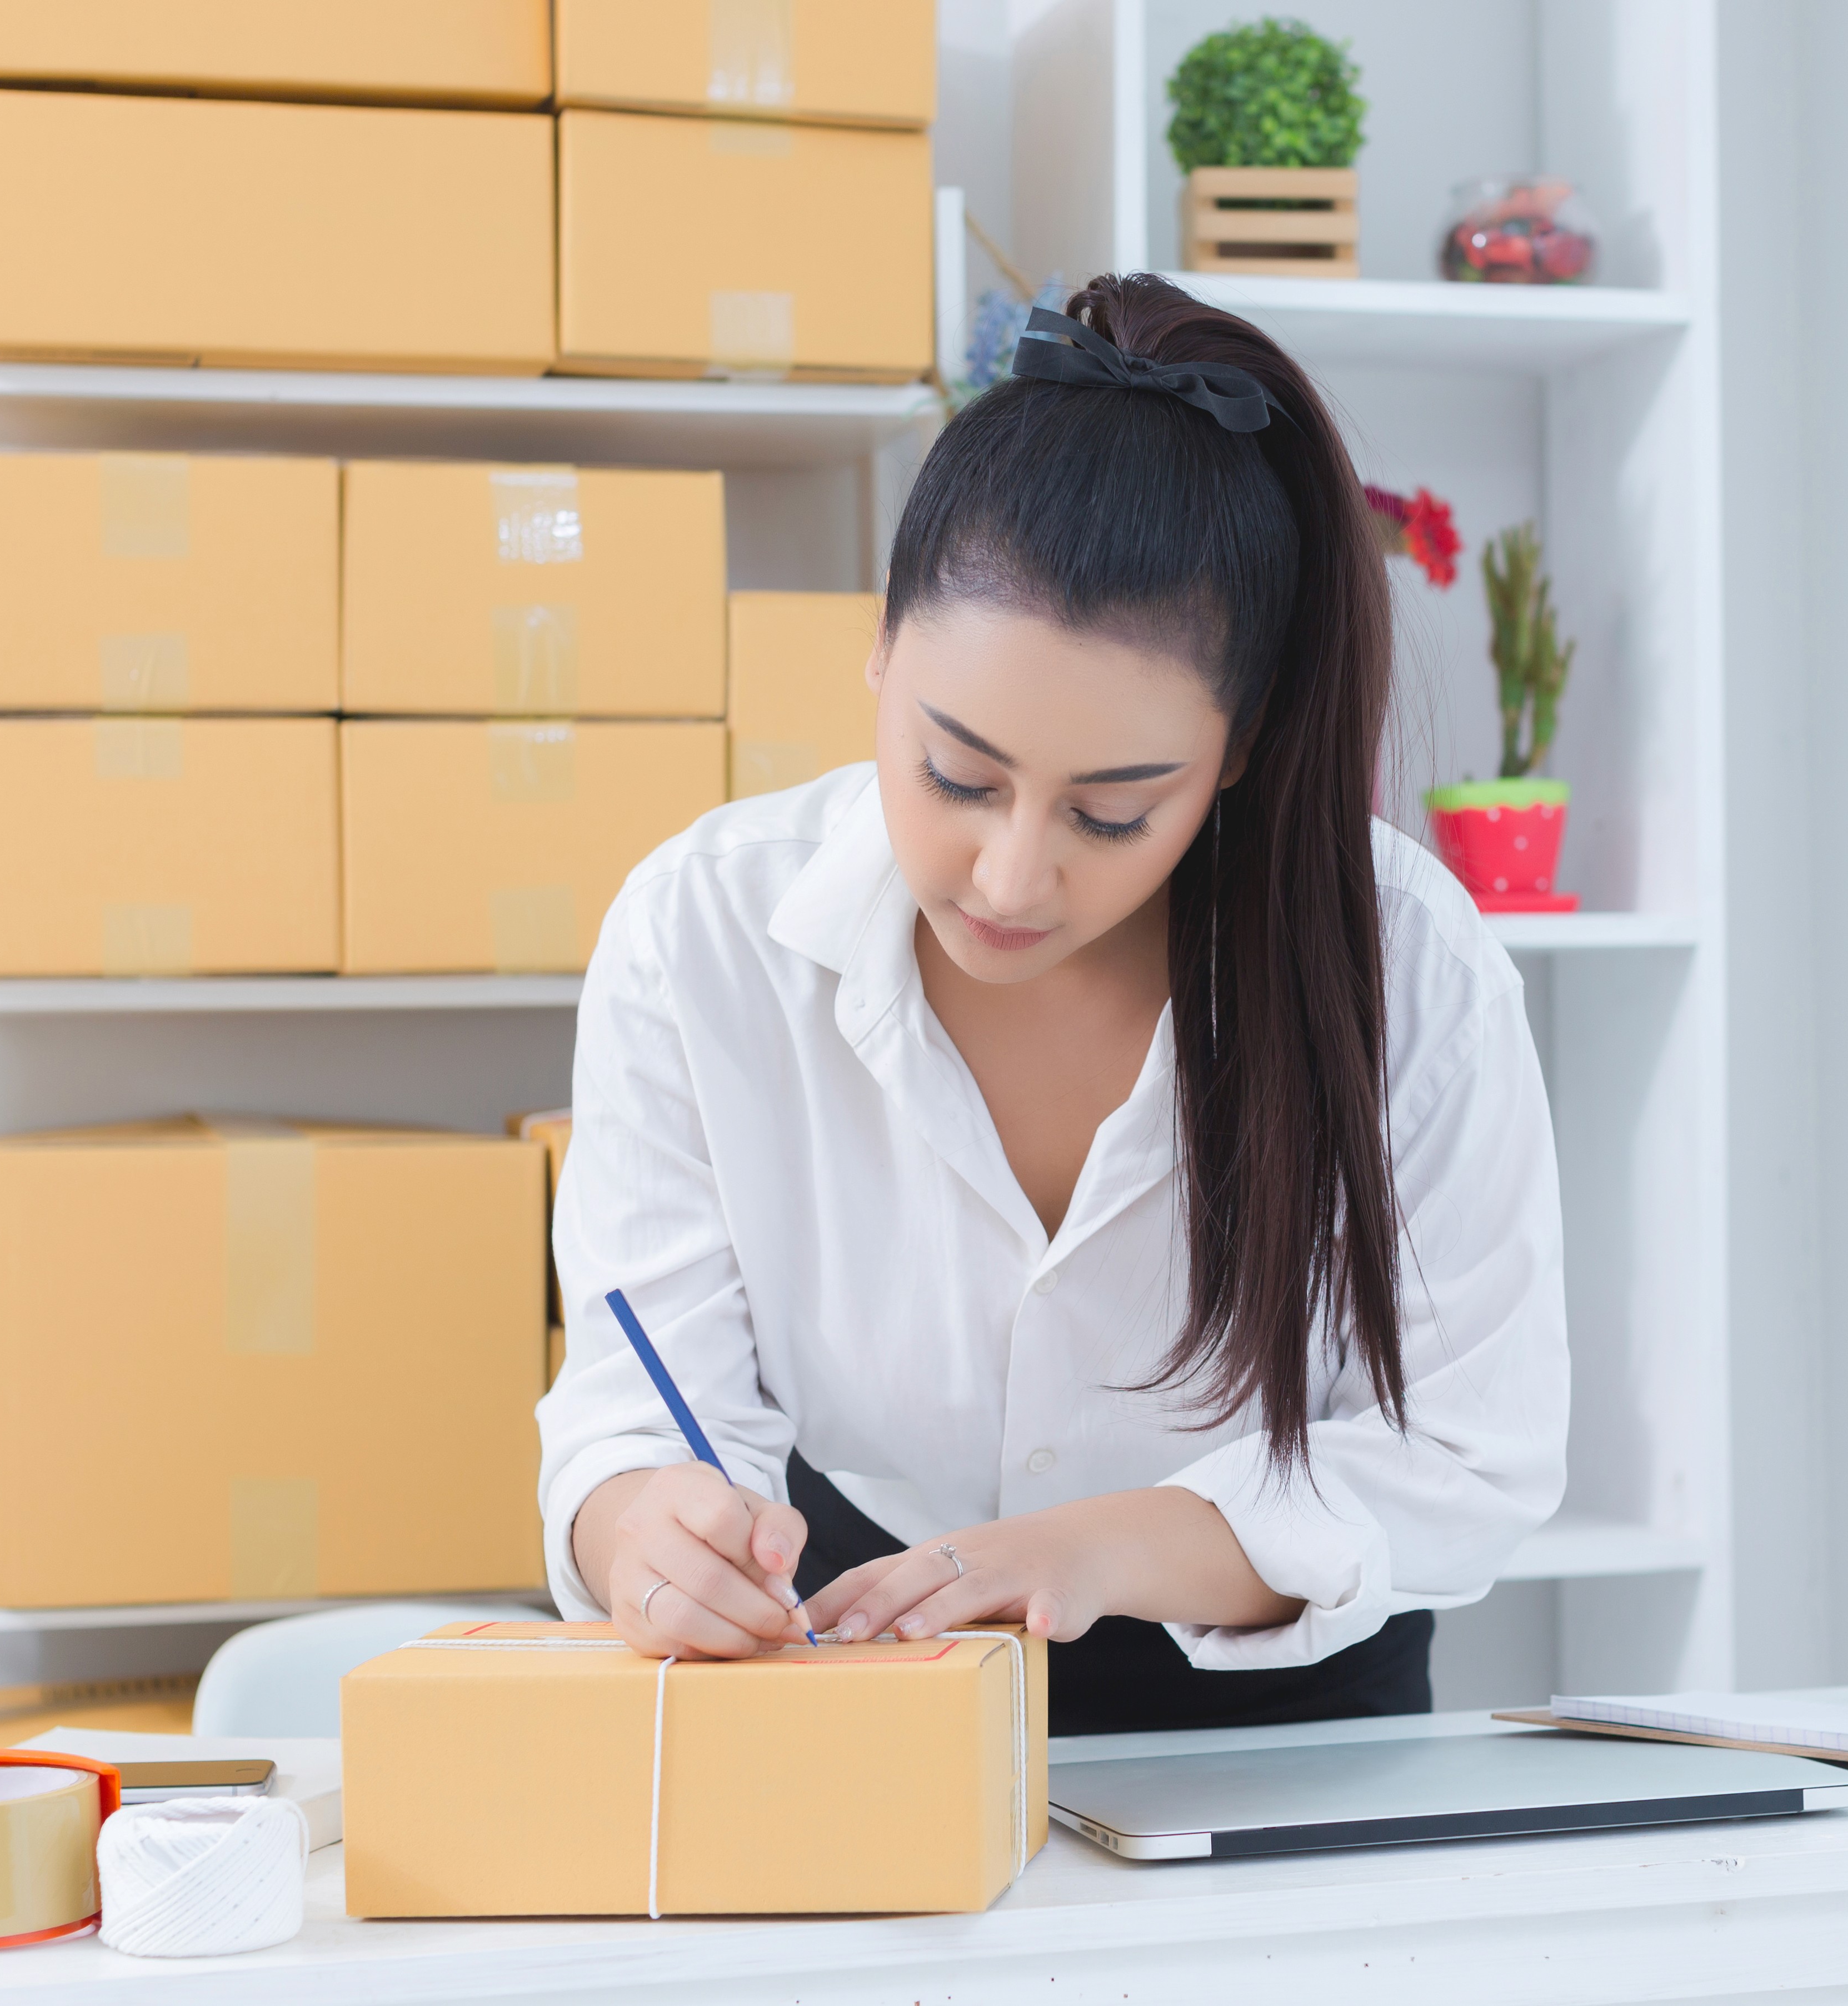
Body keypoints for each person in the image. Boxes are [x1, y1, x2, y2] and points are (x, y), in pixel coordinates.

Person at [538, 273, 1567, 1735]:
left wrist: (1092, 1547)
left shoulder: (1409, 965)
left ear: (1239, 751)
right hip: (845, 1689)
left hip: (1273, 1722)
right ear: (882, 653)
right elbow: (634, 1400)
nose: (1012, 872)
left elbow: (1475, 1447)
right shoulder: (701, 936)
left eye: (1112, 809)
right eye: (957, 775)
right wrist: (639, 1526)